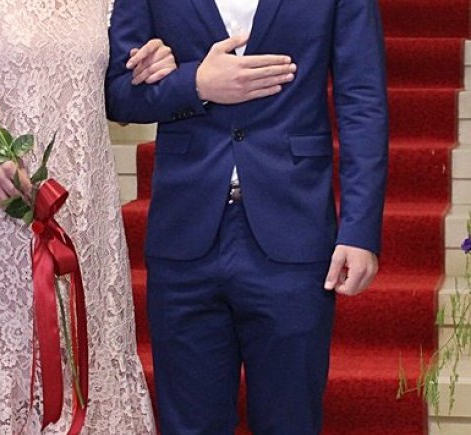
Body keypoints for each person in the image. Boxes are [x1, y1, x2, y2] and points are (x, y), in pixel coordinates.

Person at [106, 0, 388, 434]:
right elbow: (117, 93)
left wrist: (360, 229)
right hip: (185, 230)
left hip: (293, 227)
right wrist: (194, 82)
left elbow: (362, 99)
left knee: (290, 422)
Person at [0, 0, 177, 432]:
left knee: (89, 354)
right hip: (2, 206)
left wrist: (150, 66)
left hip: (87, 210)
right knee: (7, 359)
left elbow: (114, 91)